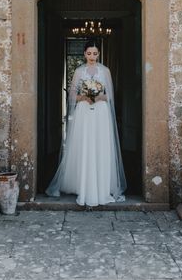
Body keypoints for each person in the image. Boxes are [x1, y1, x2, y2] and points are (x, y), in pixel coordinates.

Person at [46, 39, 126, 206]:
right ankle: (83, 184)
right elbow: (72, 95)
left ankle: (102, 186)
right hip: (84, 111)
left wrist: (97, 96)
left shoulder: (105, 71)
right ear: (84, 54)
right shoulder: (79, 71)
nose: (92, 56)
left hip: (101, 112)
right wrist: (84, 97)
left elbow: (110, 95)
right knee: (84, 145)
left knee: (100, 145)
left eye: (95, 53)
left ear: (98, 54)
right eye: (89, 53)